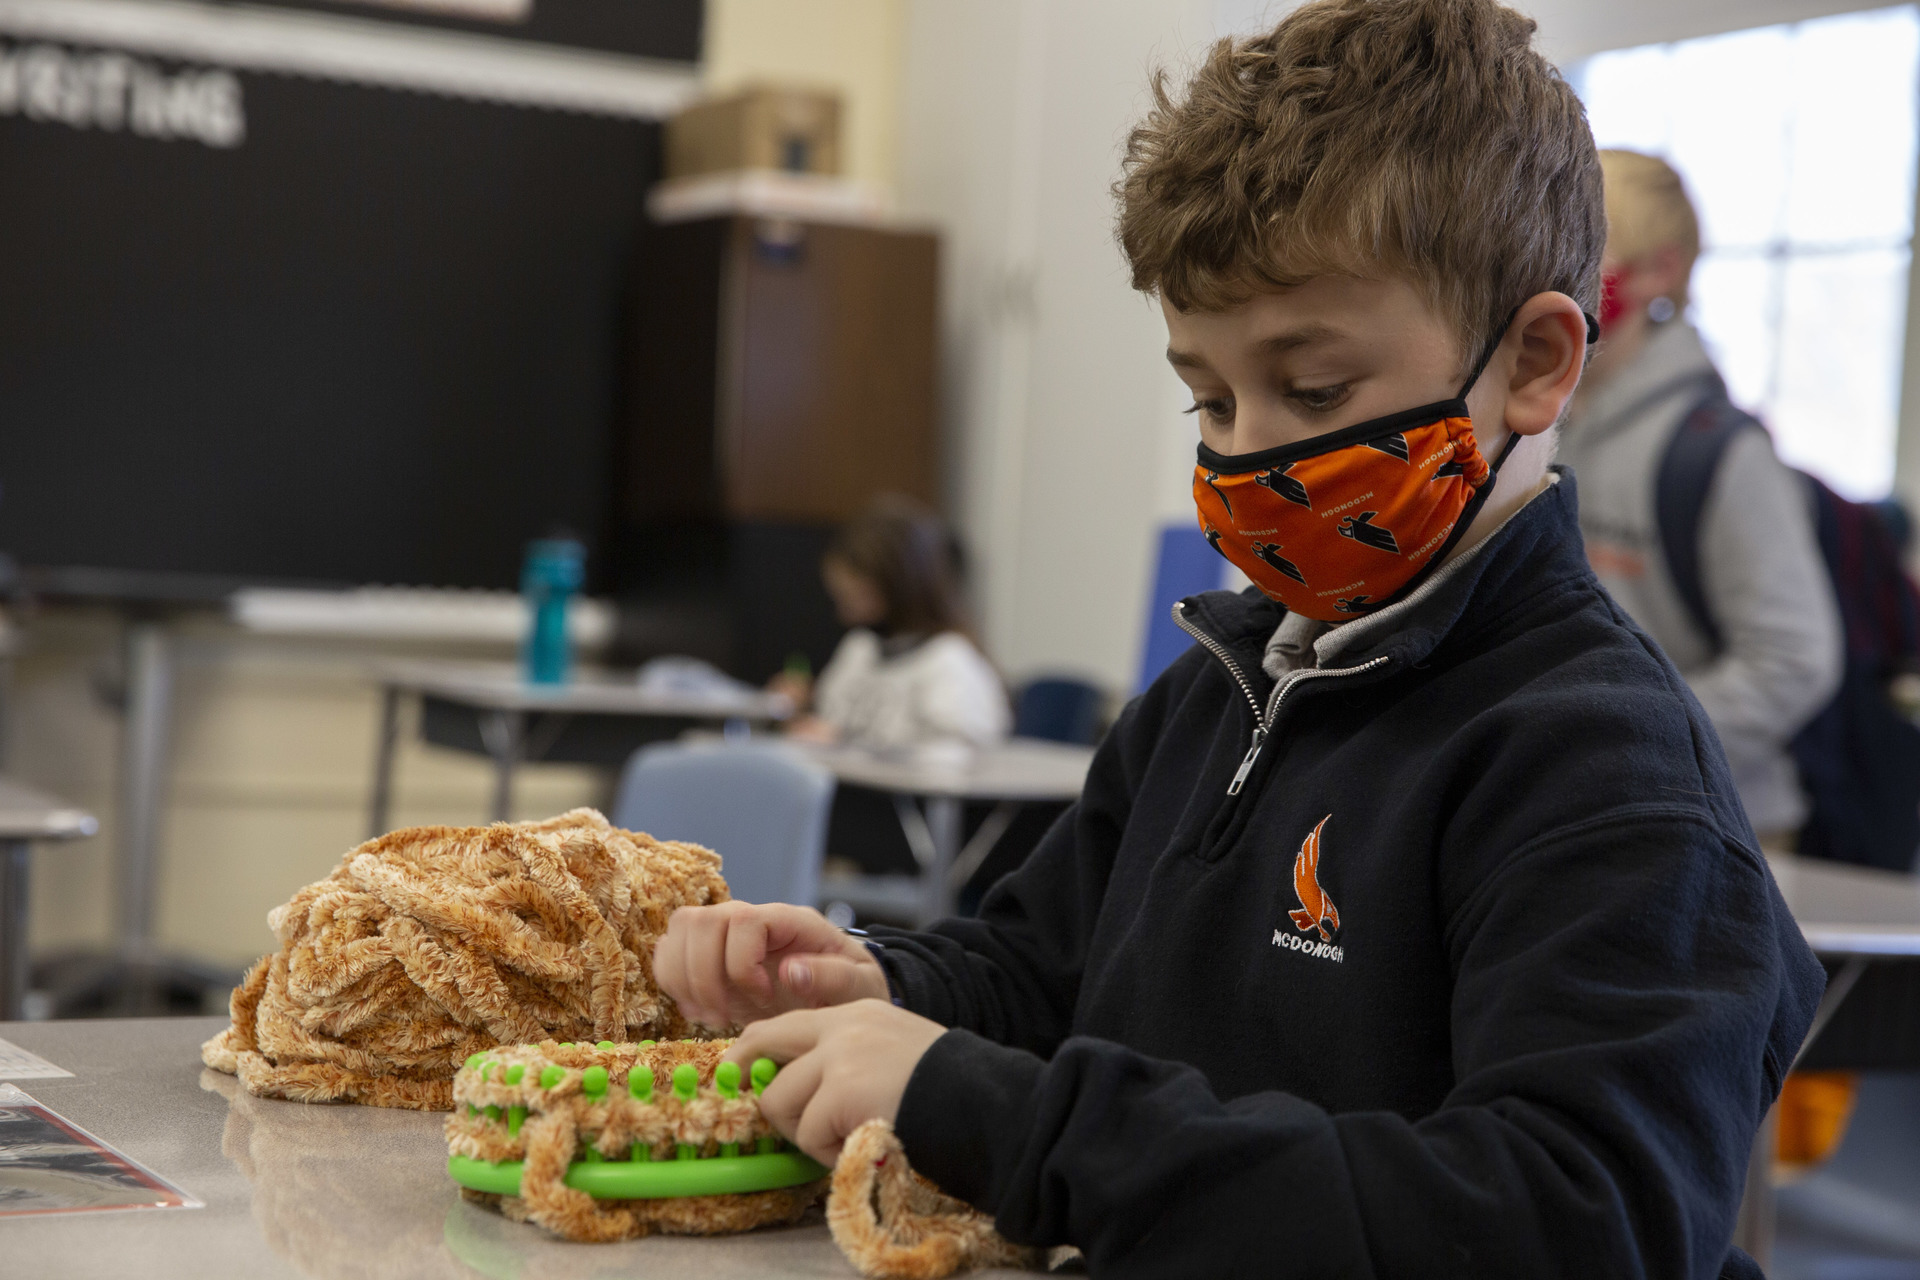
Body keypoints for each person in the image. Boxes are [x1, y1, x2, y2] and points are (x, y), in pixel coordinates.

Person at [654, 4, 1824, 1276]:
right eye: (1208, 395)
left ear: (1537, 362)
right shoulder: (1227, 681)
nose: (1248, 450)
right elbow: (1041, 969)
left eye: (1314, 390)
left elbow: (1571, 1220)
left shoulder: (1604, 766)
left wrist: (1000, 1115)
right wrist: (876, 989)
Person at [1561, 150, 1843, 847]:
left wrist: (1626, 740)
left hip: (1708, 824)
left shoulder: (1719, 452)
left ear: (1661, 269)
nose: (1557, 269)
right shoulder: (1536, 425)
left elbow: (1795, 658)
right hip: (1566, 809)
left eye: (1587, 247)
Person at [779, 495, 1009, 752]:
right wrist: (800, 712)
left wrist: (844, 743)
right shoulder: (860, 648)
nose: (844, 614)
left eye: (857, 597)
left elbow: (957, 762)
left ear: (902, 587)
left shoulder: (950, 662)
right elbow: (831, 722)